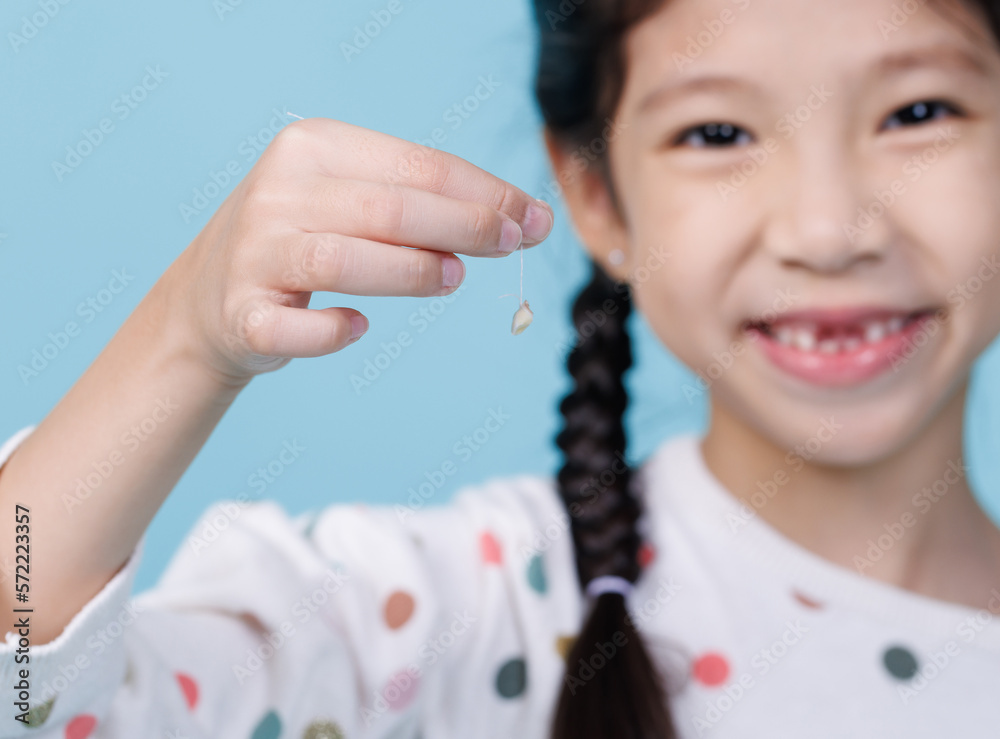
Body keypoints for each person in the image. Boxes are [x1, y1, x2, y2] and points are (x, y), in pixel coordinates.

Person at [4, 0, 1000, 736]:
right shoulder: (455, 616)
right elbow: (22, 702)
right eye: (715, 132)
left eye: (918, 112)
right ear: (596, 197)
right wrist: (184, 338)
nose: (826, 230)